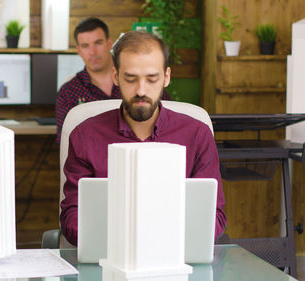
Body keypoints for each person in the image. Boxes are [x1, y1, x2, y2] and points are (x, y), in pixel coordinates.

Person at [59, 31, 226, 246]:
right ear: (116, 76)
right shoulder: (85, 135)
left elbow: (214, 217)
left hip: (176, 259)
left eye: (152, 79)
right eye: (130, 79)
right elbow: (72, 218)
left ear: (166, 77)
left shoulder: (197, 135)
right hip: (107, 259)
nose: (141, 90)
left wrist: (155, 240)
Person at [56, 17, 169, 143]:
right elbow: (67, 141)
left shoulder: (144, 83)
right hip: (96, 156)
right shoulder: (69, 91)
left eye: (98, 43)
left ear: (109, 44)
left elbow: (167, 124)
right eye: (85, 46)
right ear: (79, 50)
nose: (92, 52)